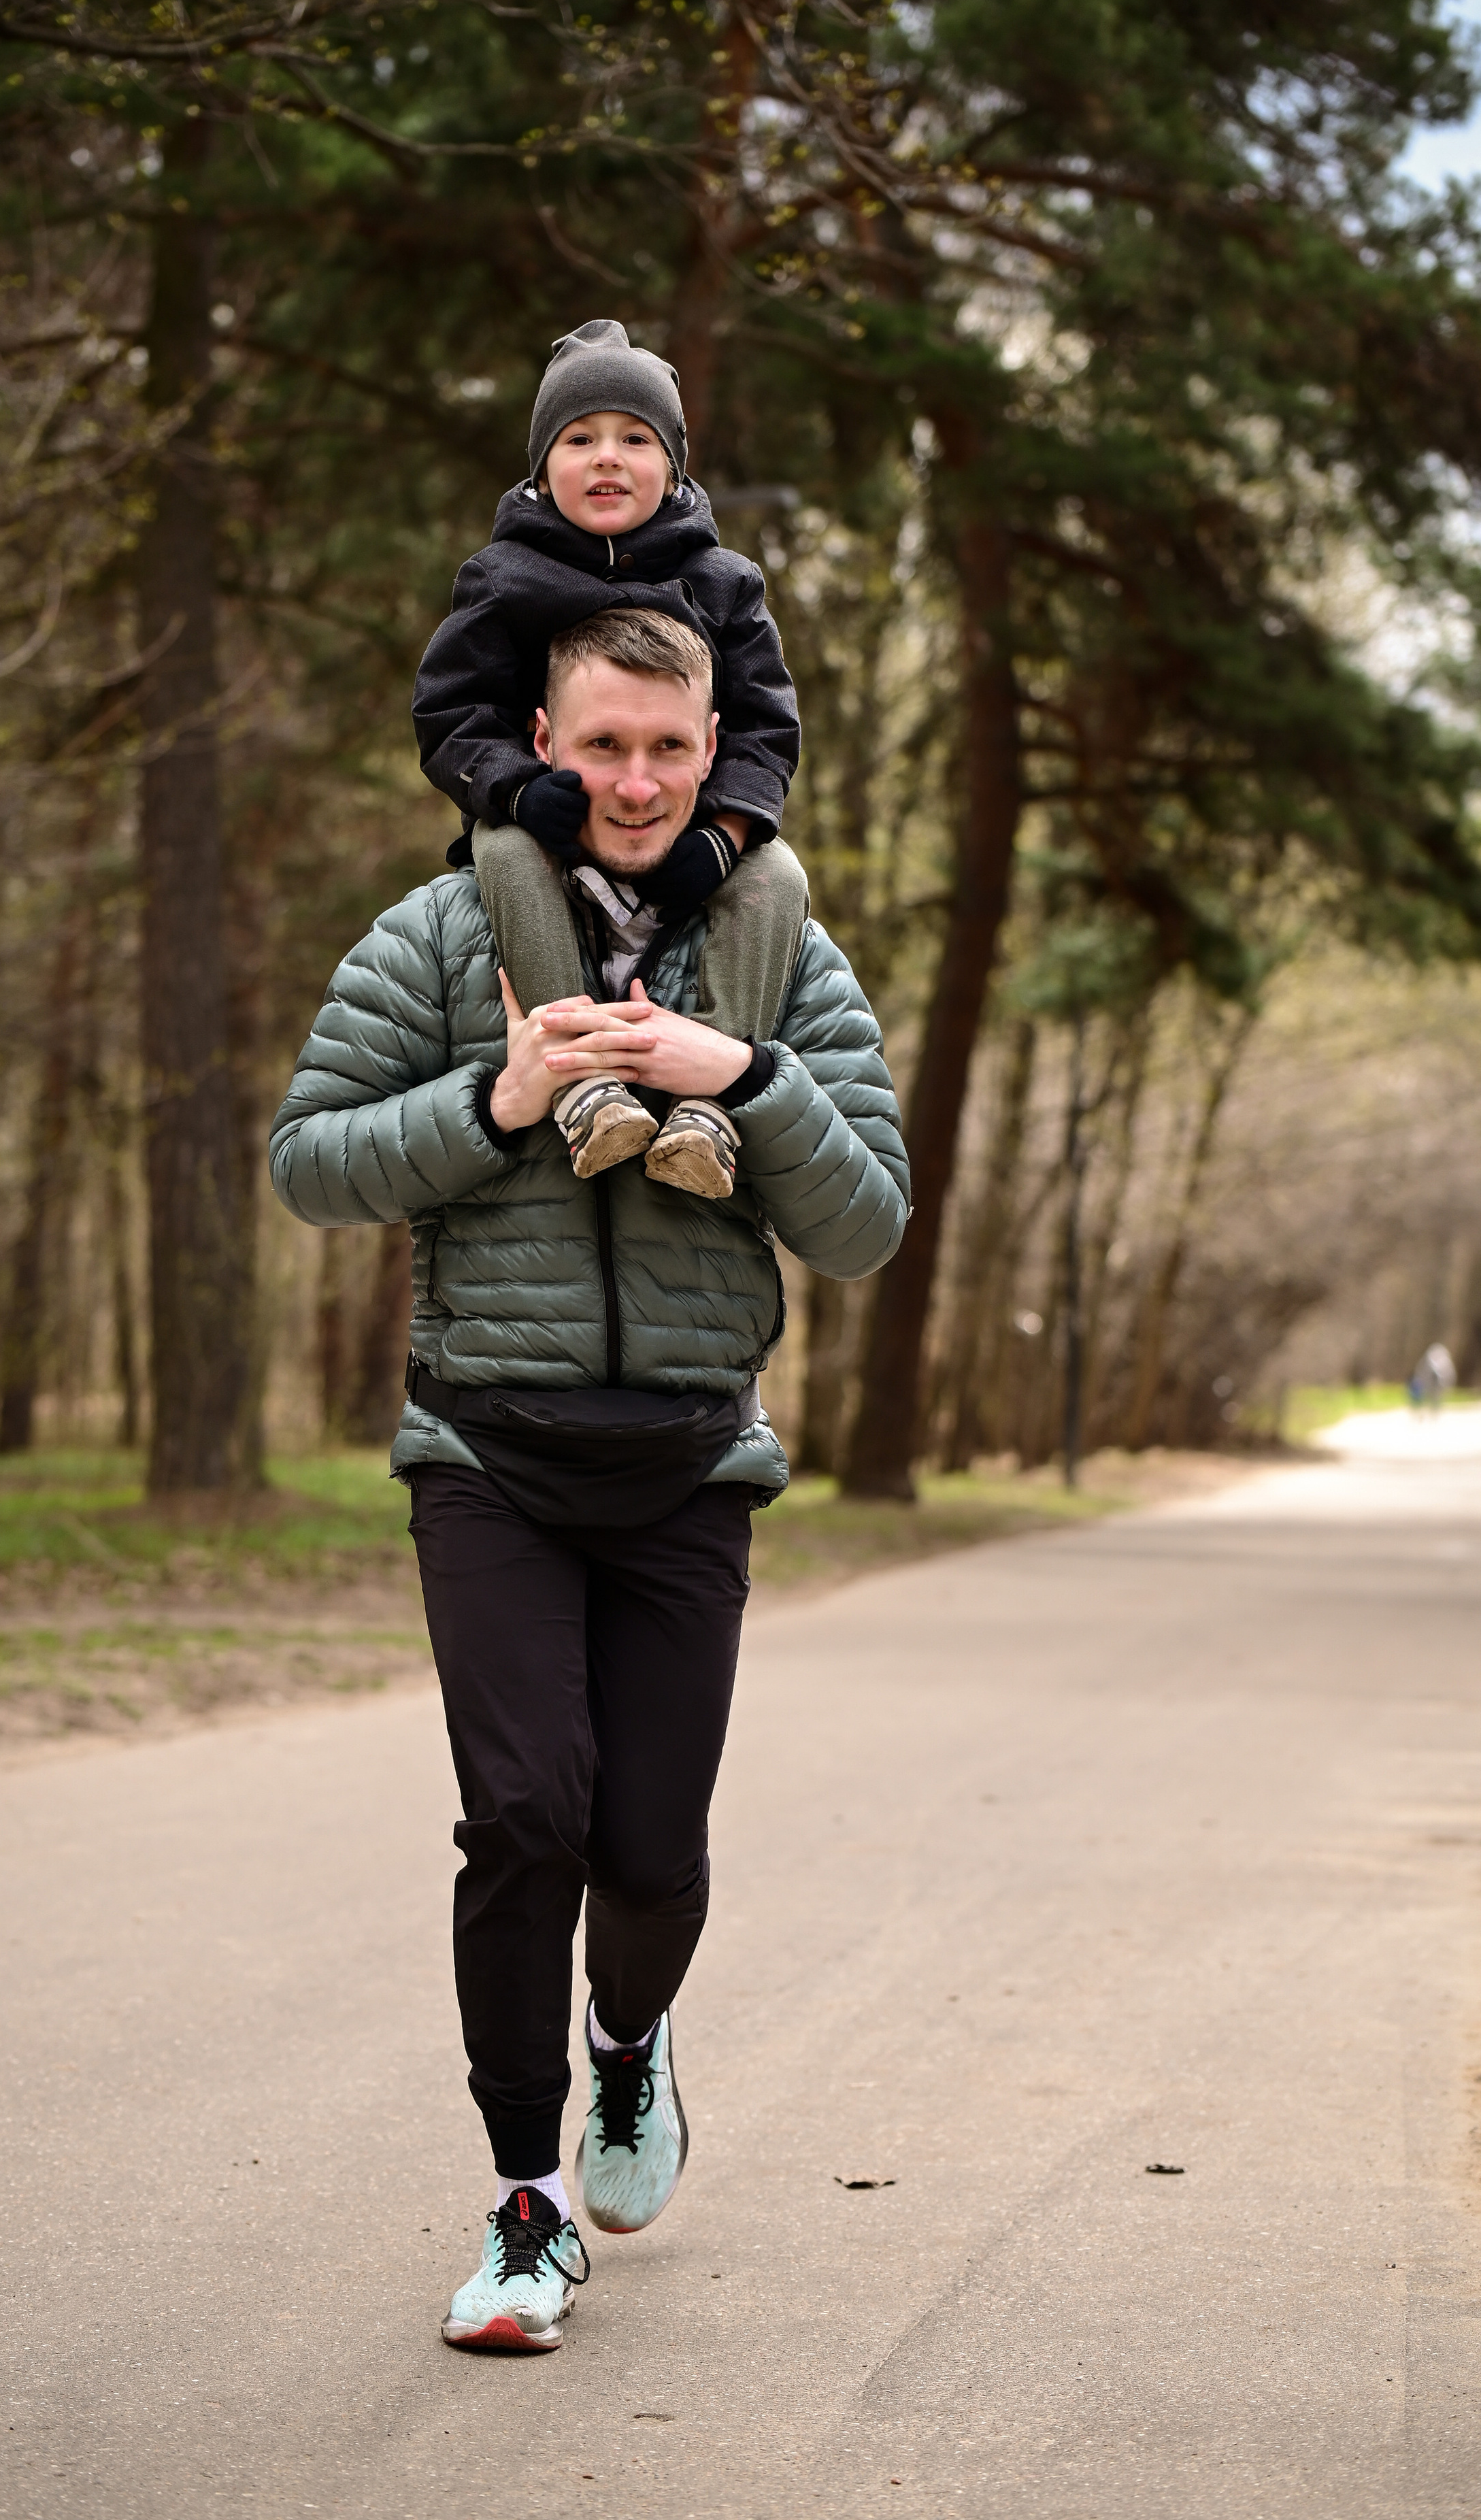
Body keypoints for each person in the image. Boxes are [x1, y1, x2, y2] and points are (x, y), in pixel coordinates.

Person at [269, 606, 909, 2355]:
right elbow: (308, 1163)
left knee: (645, 1850)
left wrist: (745, 1078)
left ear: (715, 754)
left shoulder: (781, 952)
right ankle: (524, 2207)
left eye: (667, 750)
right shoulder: (444, 929)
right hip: (487, 1445)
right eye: (601, 745)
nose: (632, 782)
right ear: (543, 742)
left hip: (689, 1458)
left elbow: (866, 1221)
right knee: (526, 1816)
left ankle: (628, 2050)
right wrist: (497, 1096)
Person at [412, 316, 810, 1201]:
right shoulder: (503, 578)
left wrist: (730, 828)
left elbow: (763, 725)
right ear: (540, 468)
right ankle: (586, 1083)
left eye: (635, 439)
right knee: (504, 850)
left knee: (776, 876)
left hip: (682, 836)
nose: (607, 458)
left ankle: (710, 1102)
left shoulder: (722, 583)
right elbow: (449, 712)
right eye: (579, 438)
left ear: (674, 465)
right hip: (545, 826)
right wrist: (514, 789)